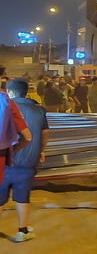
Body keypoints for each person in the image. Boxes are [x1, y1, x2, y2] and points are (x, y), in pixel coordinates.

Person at [1, 79, 48, 242]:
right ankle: (23, 231)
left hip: (4, 163)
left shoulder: (4, 107)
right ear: (26, 92)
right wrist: (41, 150)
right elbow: (43, 134)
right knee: (22, 196)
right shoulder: (39, 110)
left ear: (10, 92)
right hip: (27, 164)